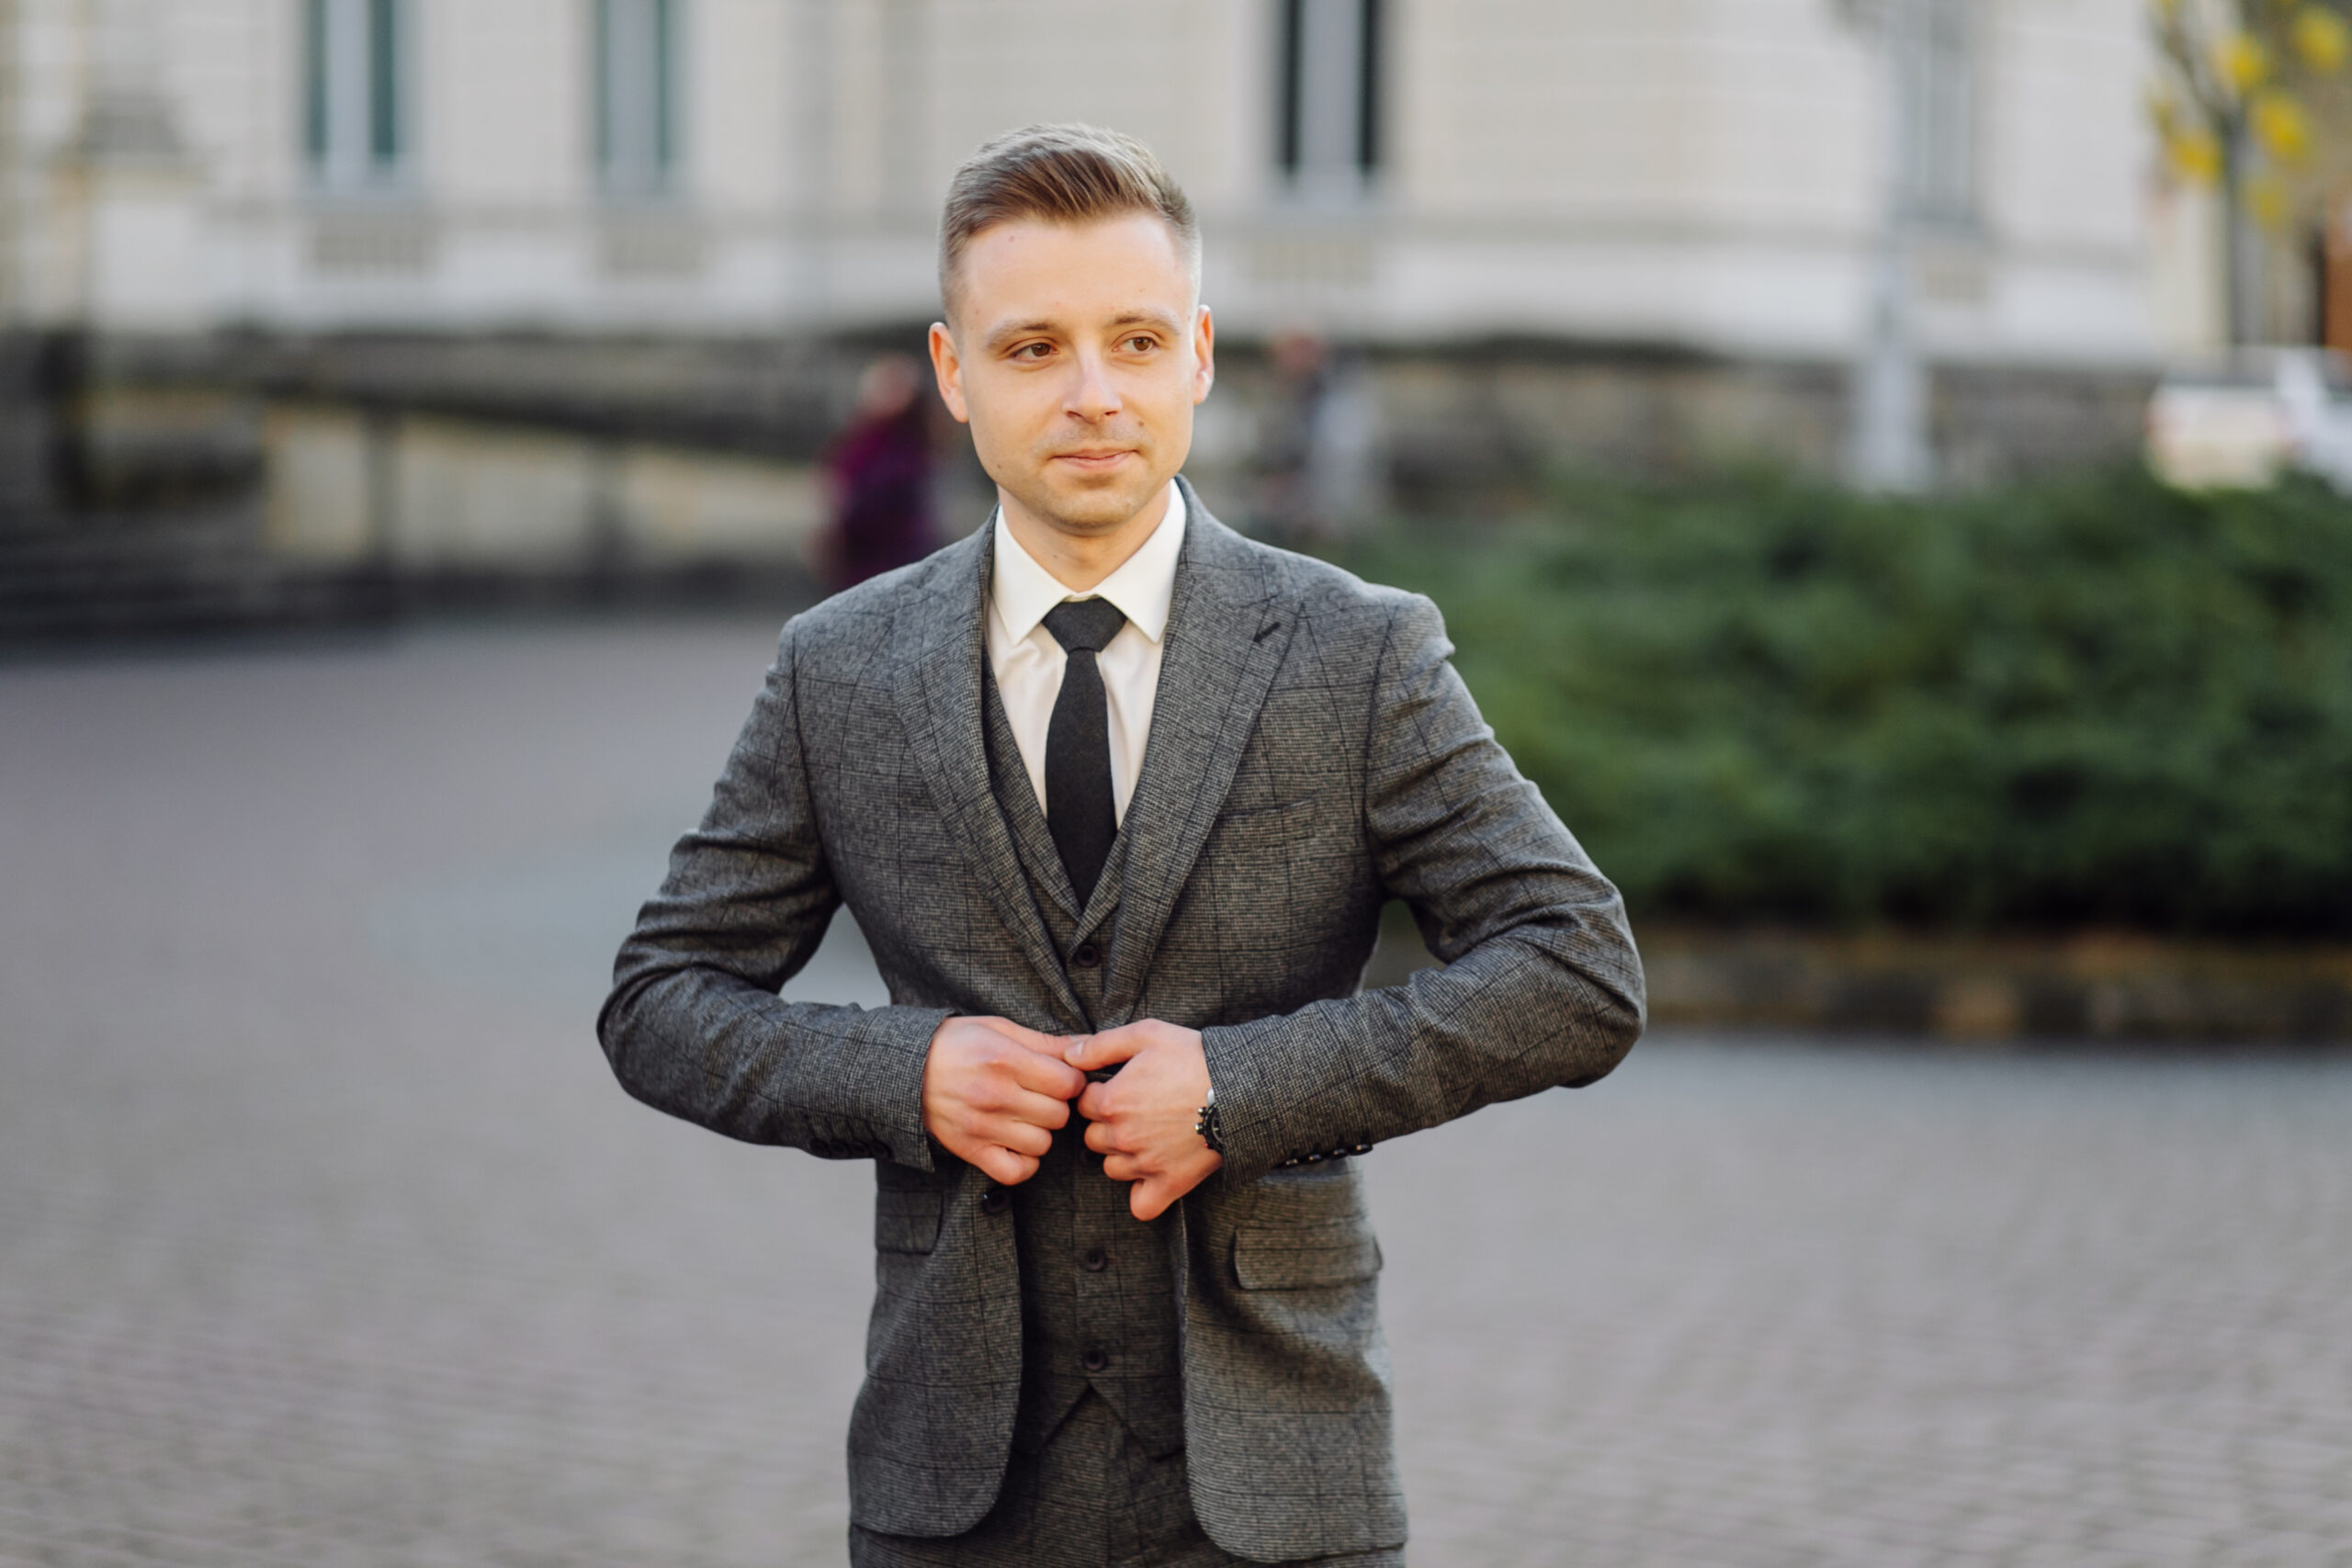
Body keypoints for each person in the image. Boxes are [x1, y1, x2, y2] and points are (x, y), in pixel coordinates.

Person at [598, 123, 1644, 1568]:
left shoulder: (1354, 652)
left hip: (1282, 1483)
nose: (1093, 394)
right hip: (952, 1482)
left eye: (1137, 340)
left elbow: (1579, 969)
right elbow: (660, 1000)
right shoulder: (838, 667)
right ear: (954, 372)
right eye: (1033, 348)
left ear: (1199, 355)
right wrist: (906, 1071)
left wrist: (1242, 1085)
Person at [820, 354, 939, 591]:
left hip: (900, 555)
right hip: (862, 554)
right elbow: (835, 489)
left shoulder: (913, 445)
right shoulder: (858, 442)